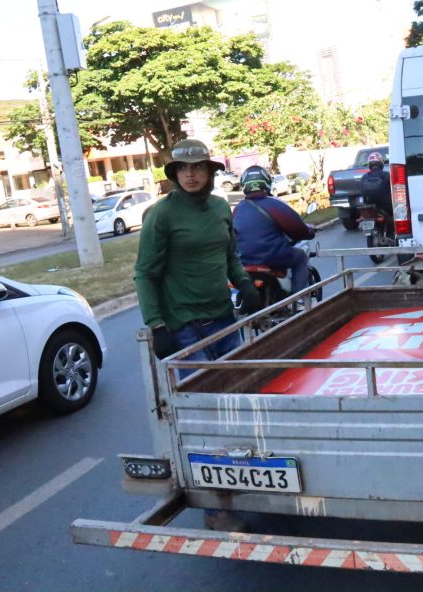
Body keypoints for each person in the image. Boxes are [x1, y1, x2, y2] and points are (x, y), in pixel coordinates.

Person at [134, 138, 259, 531]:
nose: (190, 175)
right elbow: (145, 273)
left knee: (235, 404)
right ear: (173, 175)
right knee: (205, 416)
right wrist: (156, 325)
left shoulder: (221, 207)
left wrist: (246, 285)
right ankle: (215, 508)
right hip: (185, 329)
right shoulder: (162, 215)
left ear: (210, 172)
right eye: (182, 169)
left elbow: (229, 257)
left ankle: (243, 483)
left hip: (223, 321)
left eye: (197, 168)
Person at [232, 178, 316, 296]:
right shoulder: (274, 205)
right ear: (266, 184)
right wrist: (309, 232)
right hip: (273, 258)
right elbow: (297, 228)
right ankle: (299, 299)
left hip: (244, 260)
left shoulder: (238, 209)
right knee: (301, 257)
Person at [359, 151, 393, 229]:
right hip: (385, 206)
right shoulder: (387, 175)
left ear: (369, 164)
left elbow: (361, 192)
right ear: (381, 163)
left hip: (368, 206)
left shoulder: (364, 177)